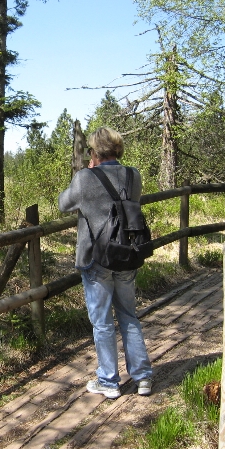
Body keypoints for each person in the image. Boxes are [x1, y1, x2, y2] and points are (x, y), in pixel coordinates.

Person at [58, 127, 153, 399]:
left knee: (102, 322)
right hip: (126, 254)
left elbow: (63, 204)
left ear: (94, 152)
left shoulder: (85, 178)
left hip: (96, 257)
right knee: (129, 316)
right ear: (117, 150)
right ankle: (143, 377)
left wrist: (86, 173)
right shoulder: (133, 175)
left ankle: (109, 381)